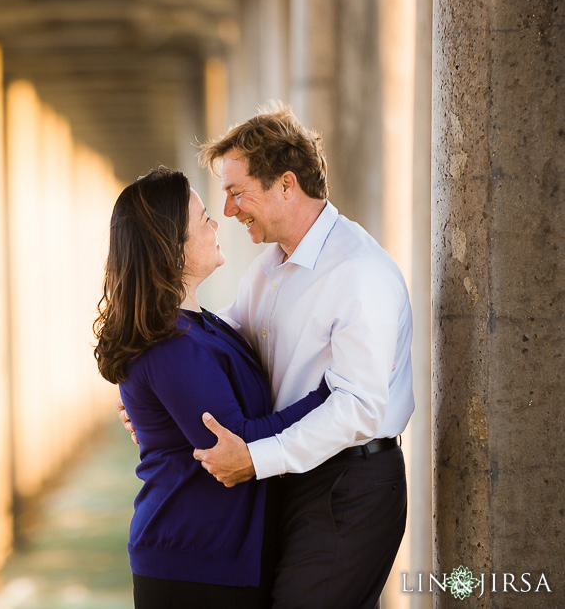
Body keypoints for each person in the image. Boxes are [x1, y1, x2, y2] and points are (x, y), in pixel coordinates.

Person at [117, 104, 413, 608]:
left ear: (286, 185)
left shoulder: (359, 272)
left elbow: (360, 407)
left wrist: (254, 458)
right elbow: (219, 338)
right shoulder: (270, 268)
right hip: (289, 479)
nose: (228, 211)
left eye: (236, 193)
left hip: (348, 484)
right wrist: (158, 398)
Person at [94, 166, 332, 609]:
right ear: (173, 251)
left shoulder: (200, 327)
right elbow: (234, 444)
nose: (216, 223)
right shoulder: (169, 346)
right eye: (203, 219)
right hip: (192, 563)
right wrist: (330, 395)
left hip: (212, 554)